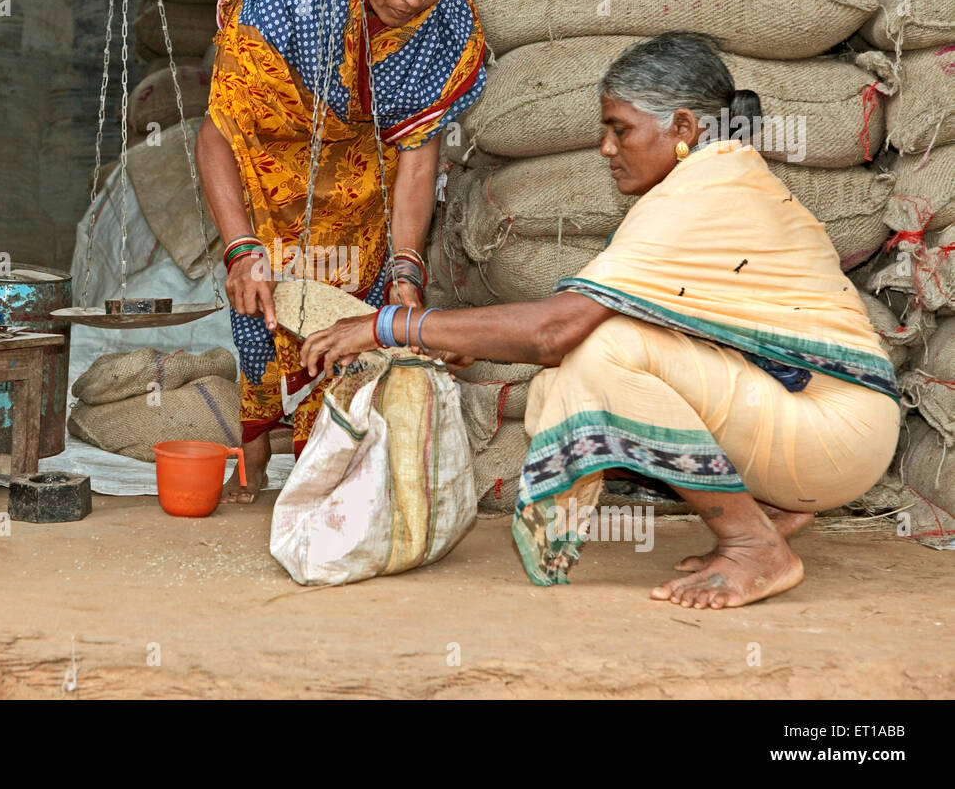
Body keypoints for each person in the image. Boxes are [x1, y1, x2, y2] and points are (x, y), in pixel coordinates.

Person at [301, 32, 902, 609]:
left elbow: (556, 331)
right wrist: (458, 340)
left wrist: (392, 327)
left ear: (684, 127)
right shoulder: (722, 176)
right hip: (833, 424)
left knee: (601, 354)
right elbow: (575, 327)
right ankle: (771, 508)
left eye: (619, 129)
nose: (606, 148)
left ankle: (753, 545)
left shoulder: (699, 193)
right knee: (579, 364)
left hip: (836, 431)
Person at [196, 0, 486, 503]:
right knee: (262, 304)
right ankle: (252, 443)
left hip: (363, 190)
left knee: (345, 318)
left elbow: (417, 154)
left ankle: (323, 461)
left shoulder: (446, 20)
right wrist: (241, 246)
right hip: (270, 165)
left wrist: (408, 267)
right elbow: (218, 134)